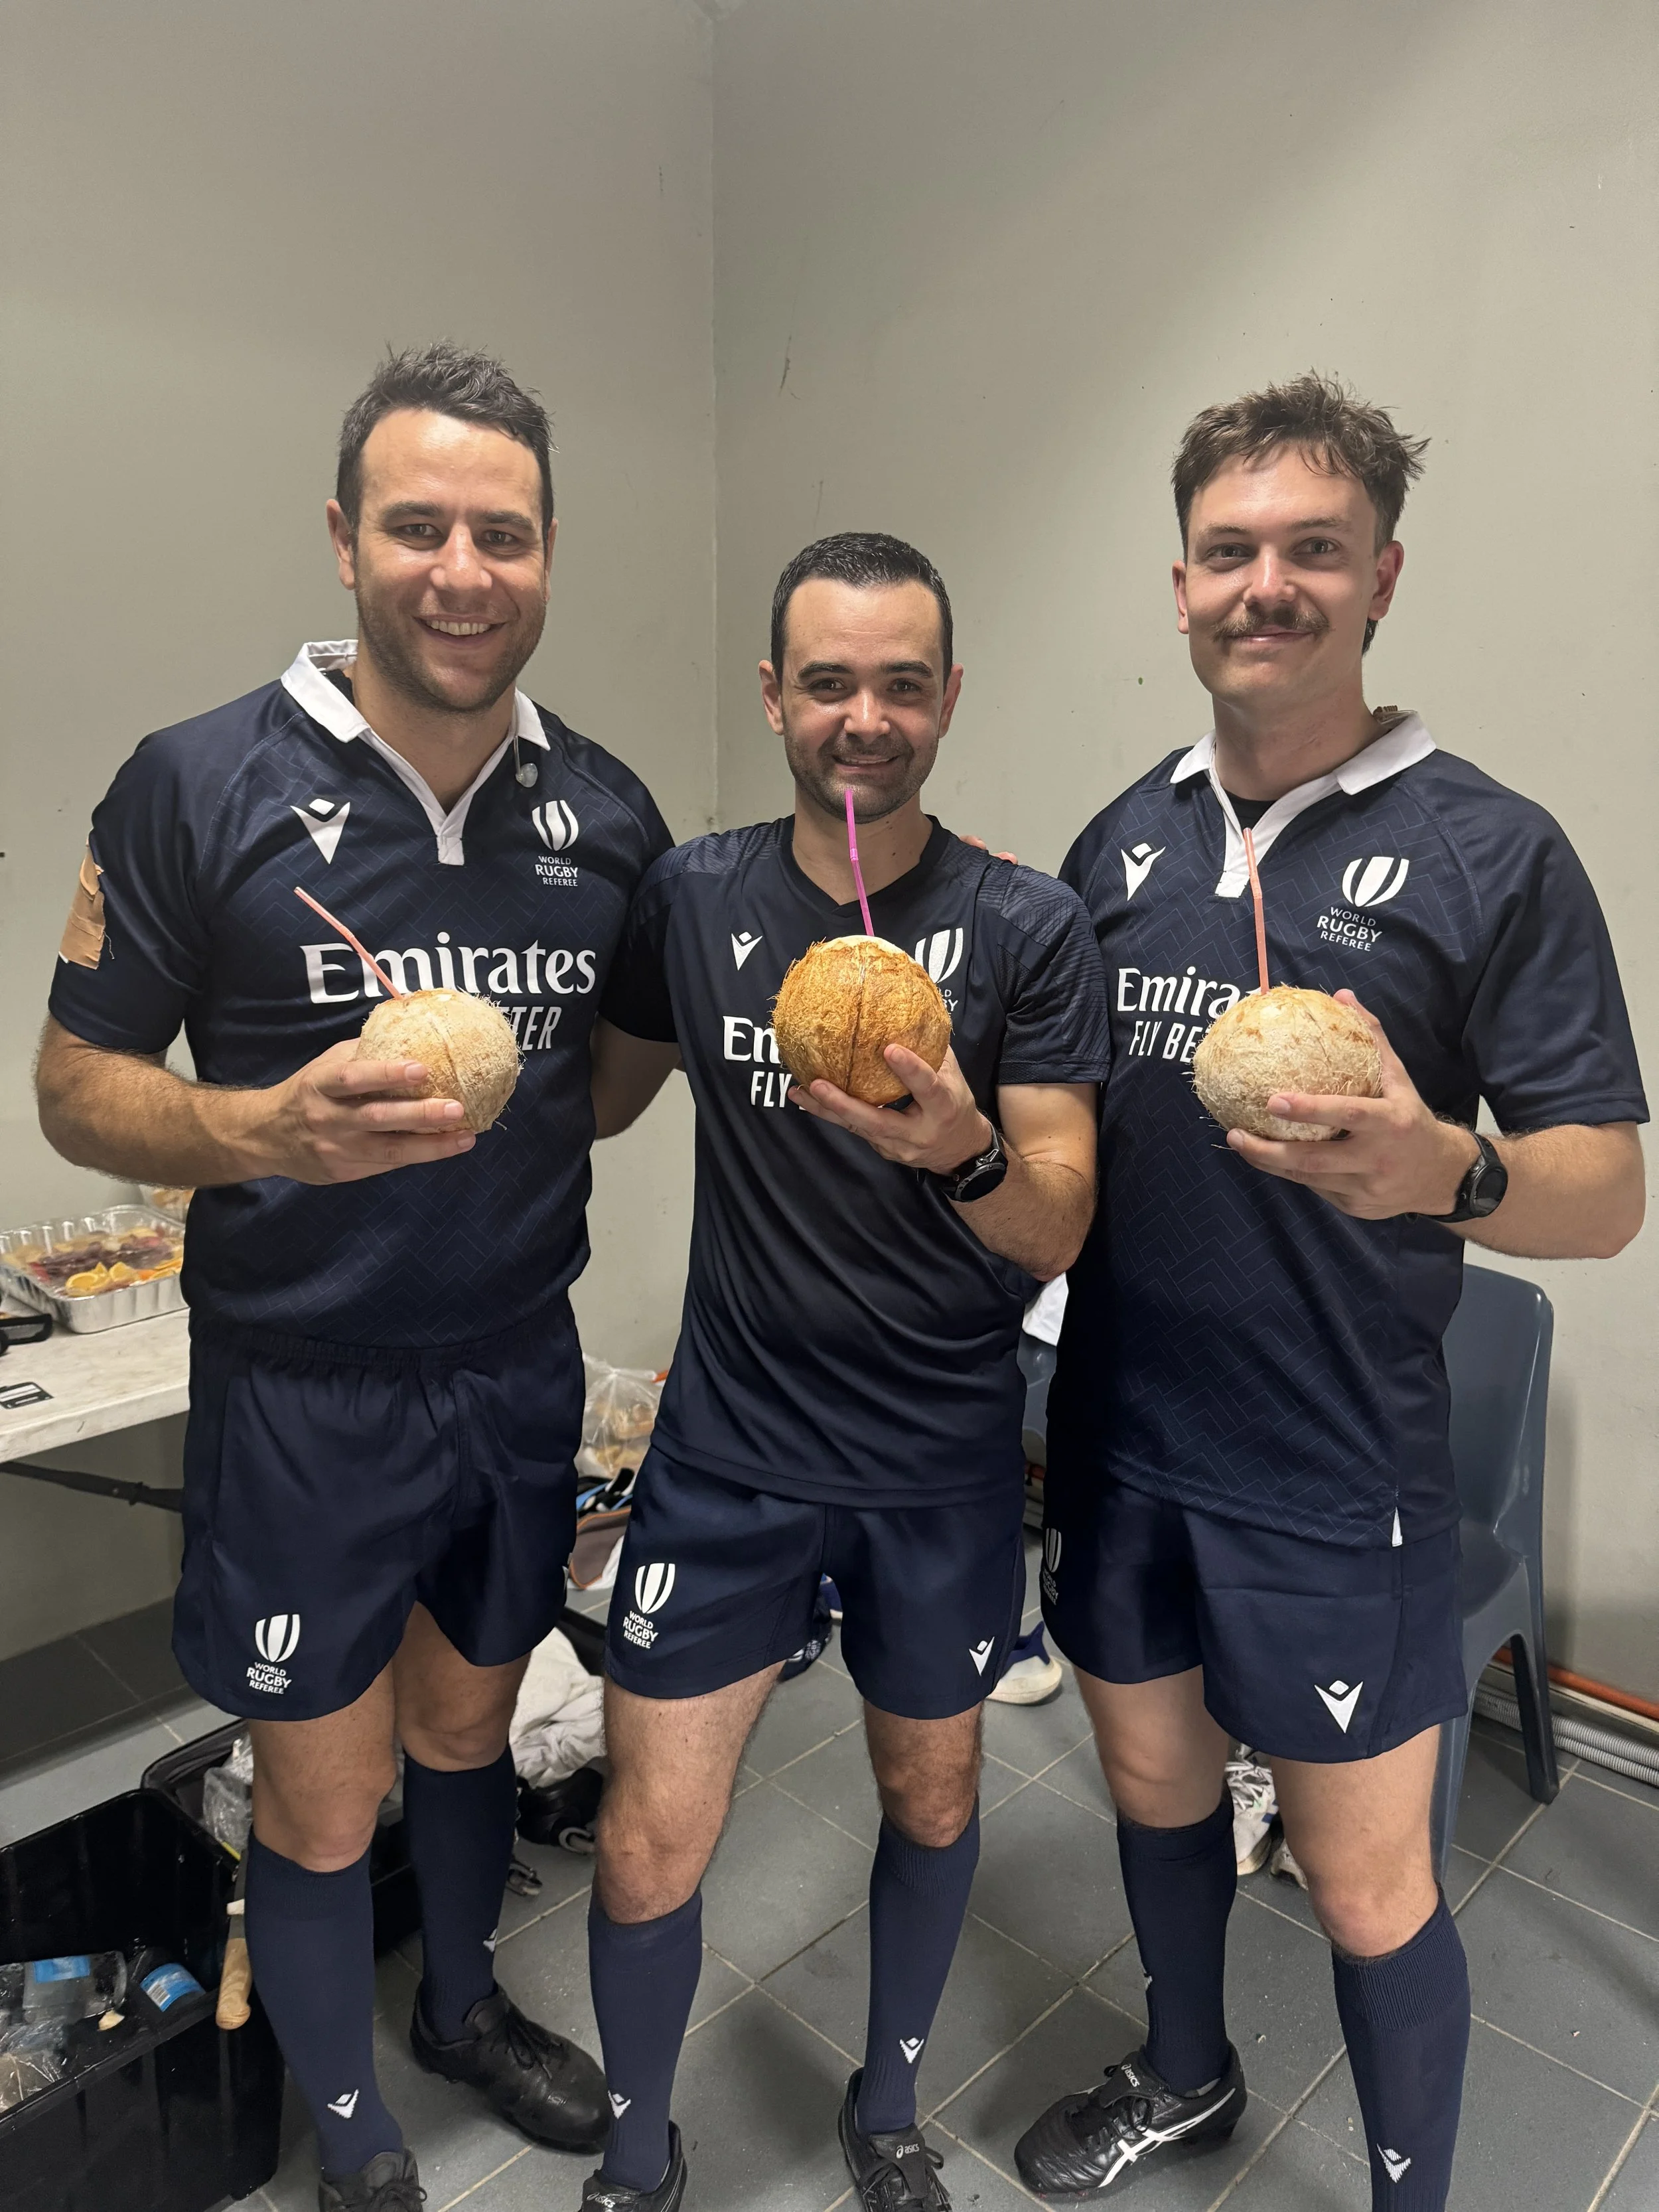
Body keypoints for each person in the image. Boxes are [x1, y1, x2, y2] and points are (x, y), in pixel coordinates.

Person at [36, 344, 674, 2212]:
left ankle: (461, 2006)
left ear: (548, 552)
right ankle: (350, 2138)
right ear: (342, 539)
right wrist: (271, 1134)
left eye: (502, 532)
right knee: (320, 1791)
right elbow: (75, 1091)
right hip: (300, 1389)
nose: (459, 570)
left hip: (509, 1366)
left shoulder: (607, 815)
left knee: (471, 1725)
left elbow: (611, 1081)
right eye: (417, 526)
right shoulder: (191, 783)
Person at [1013, 373, 1647, 2210]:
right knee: (1149, 1794)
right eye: (1228, 550)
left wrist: (1440, 1165)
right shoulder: (1118, 842)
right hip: (1124, 1443)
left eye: (1309, 549)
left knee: (1368, 1888)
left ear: (1380, 576)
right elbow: (1060, 1140)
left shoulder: (1489, 848)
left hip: (1330, 1469)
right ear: (1180, 580)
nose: (1263, 584)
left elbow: (1604, 1192)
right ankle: (1188, 2072)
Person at [579, 532, 1112, 2211]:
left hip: (936, 1466)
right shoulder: (691, 895)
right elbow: (589, 1101)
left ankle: (885, 2108)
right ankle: (634, 2141)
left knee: (933, 1789)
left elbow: (1055, 1227)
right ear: (773, 696)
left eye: (899, 683)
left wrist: (958, 1150)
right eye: (827, 681)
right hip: (724, 1454)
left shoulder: (1029, 928)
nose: (861, 715)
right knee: (652, 1831)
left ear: (946, 698)